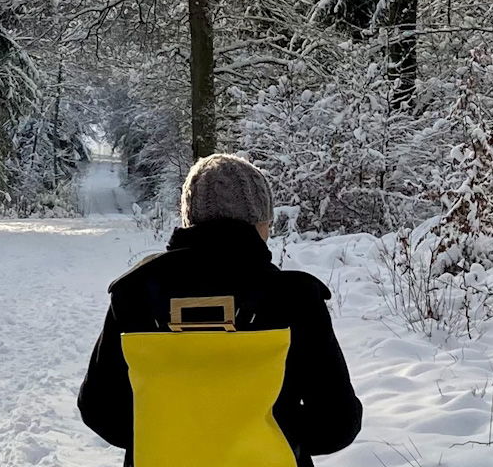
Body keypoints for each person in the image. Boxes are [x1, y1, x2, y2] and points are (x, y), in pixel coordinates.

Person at [78, 153, 362, 466]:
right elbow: (338, 423)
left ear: (189, 218)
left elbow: (98, 408)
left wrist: (171, 437)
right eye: (267, 221)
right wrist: (272, 436)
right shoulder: (294, 296)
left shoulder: (133, 293)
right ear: (258, 222)